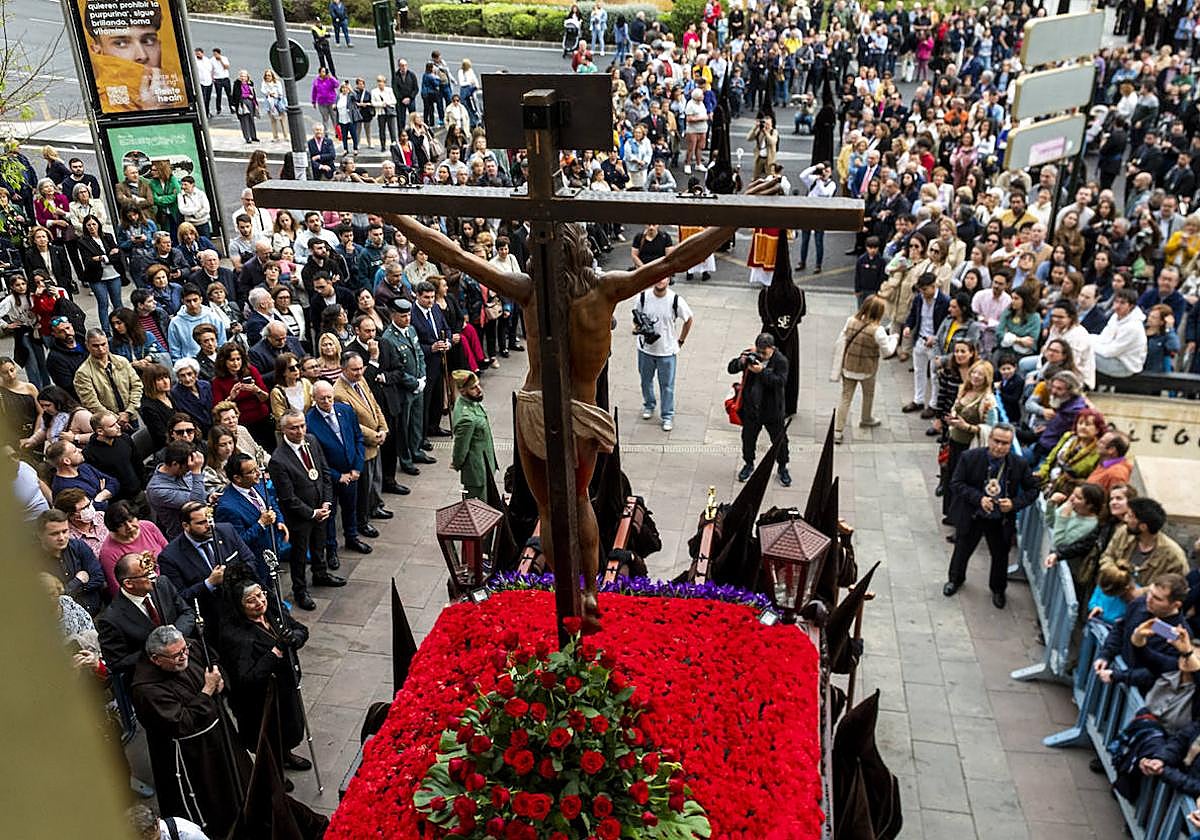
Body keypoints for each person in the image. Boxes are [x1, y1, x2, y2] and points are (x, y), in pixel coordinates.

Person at [130, 625, 251, 837]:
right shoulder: (146, 689)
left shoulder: (188, 649)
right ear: (156, 659)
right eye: (176, 655)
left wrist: (220, 678)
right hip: (192, 757)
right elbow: (180, 722)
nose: (184, 655)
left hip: (219, 735)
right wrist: (207, 691)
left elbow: (211, 659)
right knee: (212, 800)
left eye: (185, 649)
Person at [217, 566, 311, 769]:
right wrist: (275, 653)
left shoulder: (272, 613)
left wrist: (294, 639)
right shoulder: (237, 636)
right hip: (261, 700)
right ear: (240, 606)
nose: (260, 603)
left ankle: (286, 754)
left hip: (286, 687)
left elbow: (301, 630)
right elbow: (246, 678)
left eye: (261, 596)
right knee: (269, 737)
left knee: (290, 726)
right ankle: (273, 771)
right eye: (251, 601)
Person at [943, 424, 1039, 608]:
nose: (1000, 446)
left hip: (999, 519)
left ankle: (998, 589)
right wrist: (979, 499)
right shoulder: (970, 457)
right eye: (997, 441)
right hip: (974, 514)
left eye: (1005, 443)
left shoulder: (1019, 464)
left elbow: (1033, 489)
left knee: (1000, 555)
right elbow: (956, 483)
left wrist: (1014, 504)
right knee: (962, 549)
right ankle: (955, 579)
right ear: (989, 440)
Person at [268, 409, 345, 610]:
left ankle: (320, 573)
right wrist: (312, 513)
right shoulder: (278, 459)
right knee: (300, 554)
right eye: (294, 428)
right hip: (300, 516)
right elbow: (287, 497)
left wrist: (327, 503)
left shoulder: (311, 440)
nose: (300, 431)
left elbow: (324, 473)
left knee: (320, 544)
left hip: (321, 507)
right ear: (283, 429)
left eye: (302, 425)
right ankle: (300, 590)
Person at [96, 551, 194, 677]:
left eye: (152, 570)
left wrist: (175, 635)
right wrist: (157, 651)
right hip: (152, 678)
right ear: (128, 583)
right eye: (147, 574)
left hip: (186, 661)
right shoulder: (111, 619)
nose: (154, 576)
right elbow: (116, 663)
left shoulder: (163, 584)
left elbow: (187, 613)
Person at [1093, 573, 1189, 693]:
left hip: (1137, 693)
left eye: (1157, 598)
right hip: (1114, 677)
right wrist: (1105, 655)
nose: (1149, 599)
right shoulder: (1139, 604)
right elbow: (1120, 628)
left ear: (1176, 605)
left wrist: (1120, 676)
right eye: (1150, 592)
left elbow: (1161, 671)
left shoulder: (1180, 635)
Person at [307, 379, 370, 559]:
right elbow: (316, 458)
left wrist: (357, 468)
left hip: (351, 473)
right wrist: (336, 476)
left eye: (329, 398)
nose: (327, 402)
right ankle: (331, 549)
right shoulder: (309, 422)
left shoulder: (345, 410)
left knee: (351, 508)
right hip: (329, 478)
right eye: (322, 399)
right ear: (314, 399)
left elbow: (358, 438)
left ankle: (352, 538)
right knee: (331, 514)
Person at [334, 351, 391, 531]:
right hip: (362, 446)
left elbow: (374, 405)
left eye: (360, 368)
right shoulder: (339, 393)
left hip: (376, 438)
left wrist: (383, 428)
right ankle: (362, 522)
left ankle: (375, 507)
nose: (359, 373)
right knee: (363, 488)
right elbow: (352, 424)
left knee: (376, 479)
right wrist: (375, 436)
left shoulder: (361, 380)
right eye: (354, 370)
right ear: (343, 369)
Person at [830, 295, 897, 444]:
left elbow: (842, 339)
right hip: (868, 369)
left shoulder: (851, 321)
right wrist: (894, 339)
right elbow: (887, 352)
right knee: (868, 394)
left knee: (845, 397)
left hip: (848, 366)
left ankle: (838, 431)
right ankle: (866, 418)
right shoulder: (878, 330)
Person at [728, 332, 790, 486]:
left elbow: (779, 382)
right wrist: (741, 361)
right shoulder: (751, 355)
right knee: (748, 439)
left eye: (764, 352)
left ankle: (782, 467)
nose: (761, 355)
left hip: (773, 411)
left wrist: (762, 371)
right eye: (759, 351)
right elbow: (731, 369)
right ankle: (748, 463)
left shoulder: (780, 361)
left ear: (772, 348)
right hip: (752, 409)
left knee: (780, 441)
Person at [634, 277, 693, 432]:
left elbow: (689, 319)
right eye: (658, 277)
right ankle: (649, 405)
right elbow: (636, 317)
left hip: (667, 351)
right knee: (645, 381)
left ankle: (667, 415)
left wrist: (681, 340)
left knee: (667, 386)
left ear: (669, 280)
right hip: (645, 350)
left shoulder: (675, 300)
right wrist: (639, 328)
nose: (660, 281)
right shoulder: (643, 297)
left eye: (664, 278)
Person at [380, 298, 429, 485]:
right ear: (393, 315)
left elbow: (419, 355)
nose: (407, 318)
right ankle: (406, 460)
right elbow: (395, 368)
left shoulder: (411, 329)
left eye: (408, 315)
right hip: (403, 389)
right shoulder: (388, 338)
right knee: (404, 427)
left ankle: (416, 451)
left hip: (418, 384)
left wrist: (422, 377)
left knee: (417, 422)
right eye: (403, 316)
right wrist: (414, 382)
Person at [1098, 497, 1188, 593]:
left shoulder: (1173, 555)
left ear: (1143, 527)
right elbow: (1107, 556)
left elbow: (1176, 585)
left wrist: (1142, 592)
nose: (1125, 519)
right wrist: (1114, 576)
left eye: (1130, 516)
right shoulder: (1123, 533)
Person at [215, 453, 290, 563]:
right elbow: (237, 541)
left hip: (273, 551)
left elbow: (271, 502)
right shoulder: (227, 507)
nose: (258, 473)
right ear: (237, 478)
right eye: (251, 472)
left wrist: (279, 520)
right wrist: (261, 524)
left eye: (257, 468)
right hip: (255, 562)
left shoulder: (257, 484)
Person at [900, 273, 950, 416]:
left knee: (934, 375)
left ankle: (933, 404)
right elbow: (913, 315)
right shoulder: (919, 299)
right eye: (921, 290)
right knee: (919, 371)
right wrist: (908, 326)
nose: (923, 293)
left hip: (935, 343)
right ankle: (918, 400)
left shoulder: (945, 301)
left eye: (925, 290)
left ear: (934, 287)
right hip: (920, 340)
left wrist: (935, 338)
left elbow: (947, 324)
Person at [38, 508, 104, 615]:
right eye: (54, 534)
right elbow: (52, 597)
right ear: (40, 535)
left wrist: (68, 589)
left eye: (65, 531)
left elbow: (98, 577)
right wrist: (78, 581)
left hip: (97, 612)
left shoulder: (78, 546)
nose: (62, 537)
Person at [99, 501, 168, 598]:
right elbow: (117, 588)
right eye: (122, 525)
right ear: (114, 528)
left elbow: (168, 555)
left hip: (168, 582)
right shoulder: (108, 553)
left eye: (131, 520)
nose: (129, 527)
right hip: (143, 595)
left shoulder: (149, 527)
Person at [448, 370, 496, 501]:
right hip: (477, 473)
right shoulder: (467, 418)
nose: (479, 389)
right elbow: (461, 447)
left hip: (485, 465)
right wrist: (457, 462)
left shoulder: (469, 401)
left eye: (478, 385)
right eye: (473, 388)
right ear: (463, 391)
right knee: (479, 510)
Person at [145, 442, 207, 540]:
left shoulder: (183, 469)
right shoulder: (157, 490)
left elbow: (195, 490)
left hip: (203, 526)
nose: (189, 471)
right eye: (187, 467)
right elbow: (197, 505)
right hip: (184, 537)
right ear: (175, 464)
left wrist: (208, 495)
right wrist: (196, 472)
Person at [82, 410, 143, 501]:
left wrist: (144, 485)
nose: (118, 427)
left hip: (138, 491)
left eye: (116, 423)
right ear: (100, 431)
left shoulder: (125, 438)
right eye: (112, 426)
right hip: (118, 500)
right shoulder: (89, 453)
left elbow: (137, 462)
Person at [1092, 287, 1148, 378]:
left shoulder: (1133, 327)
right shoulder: (1115, 317)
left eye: (1122, 303)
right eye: (1116, 302)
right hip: (1112, 358)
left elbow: (1110, 352)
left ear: (1131, 306)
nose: (1117, 306)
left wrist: (1090, 346)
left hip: (1125, 366)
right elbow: (1104, 338)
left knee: (1082, 355)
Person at [229, 69, 260, 144]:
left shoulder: (250, 83)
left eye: (244, 76)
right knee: (244, 120)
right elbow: (236, 95)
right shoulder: (237, 84)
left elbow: (253, 94)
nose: (243, 78)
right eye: (241, 76)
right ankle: (247, 137)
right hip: (242, 103)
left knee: (251, 119)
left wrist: (256, 104)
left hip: (250, 102)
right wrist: (247, 95)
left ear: (247, 77)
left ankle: (253, 136)